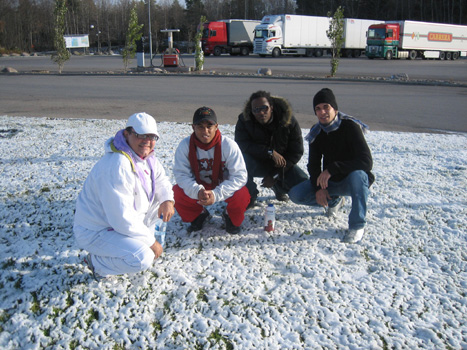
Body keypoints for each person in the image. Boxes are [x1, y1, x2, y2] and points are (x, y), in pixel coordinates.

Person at [73, 112, 175, 280]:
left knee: (160, 203)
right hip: (97, 230)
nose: (147, 141)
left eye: (152, 136)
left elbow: (161, 179)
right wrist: (151, 242)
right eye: (140, 135)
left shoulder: (145, 157)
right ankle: (97, 263)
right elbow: (121, 218)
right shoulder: (117, 165)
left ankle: (129, 245)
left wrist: (167, 199)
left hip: (118, 225)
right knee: (142, 258)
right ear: (127, 134)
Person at [289, 88, 374, 243]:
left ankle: (357, 225)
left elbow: (366, 162)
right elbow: (313, 165)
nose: (322, 112)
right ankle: (334, 201)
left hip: (353, 181)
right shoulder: (317, 132)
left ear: (334, 108)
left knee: (359, 174)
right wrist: (318, 188)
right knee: (296, 194)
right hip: (331, 181)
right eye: (318, 109)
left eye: (326, 107)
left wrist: (332, 168)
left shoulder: (350, 127)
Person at [173, 106, 250, 234]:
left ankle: (229, 215)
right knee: (176, 192)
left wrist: (216, 194)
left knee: (242, 193)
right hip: (200, 184)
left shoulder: (228, 145)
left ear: (216, 126)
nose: (205, 131)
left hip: (222, 183)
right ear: (193, 127)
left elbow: (239, 176)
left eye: (209, 126)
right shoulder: (185, 146)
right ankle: (199, 214)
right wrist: (197, 191)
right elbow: (181, 175)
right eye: (200, 126)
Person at [235, 90, 308, 207]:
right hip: (256, 162)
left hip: (280, 165)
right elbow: (241, 145)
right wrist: (269, 152)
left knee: (304, 186)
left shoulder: (288, 121)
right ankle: (250, 195)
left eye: (265, 108)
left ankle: (279, 188)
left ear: (272, 107)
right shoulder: (245, 121)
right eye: (256, 110)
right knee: (240, 162)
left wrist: (275, 175)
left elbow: (296, 152)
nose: (261, 112)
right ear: (252, 111)